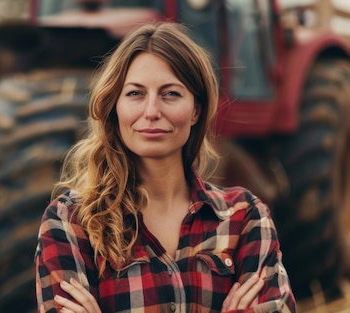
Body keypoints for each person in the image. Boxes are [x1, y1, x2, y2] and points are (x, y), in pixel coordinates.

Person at [34, 22, 296, 313]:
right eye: (135, 94)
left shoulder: (245, 217)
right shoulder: (70, 222)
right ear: (114, 105)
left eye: (171, 93)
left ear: (196, 110)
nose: (151, 112)